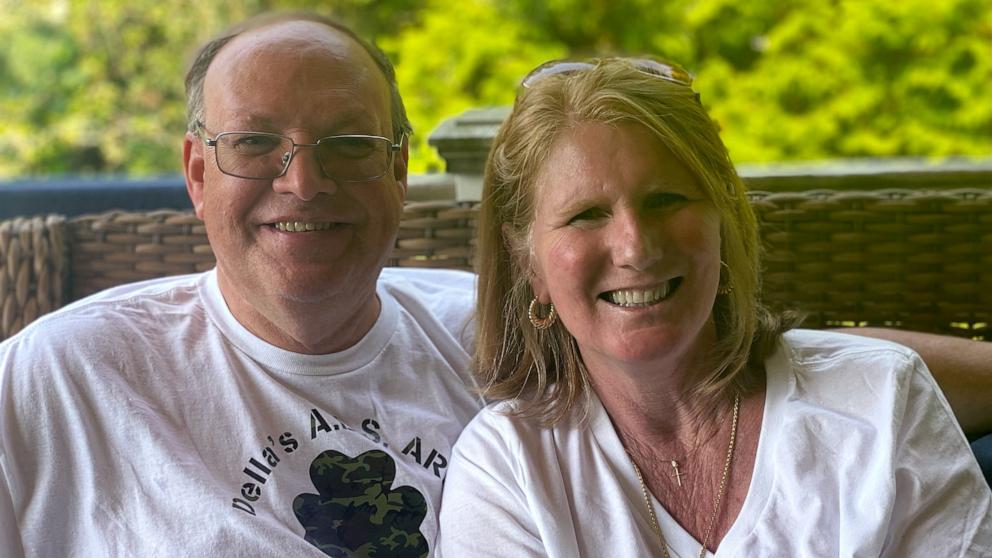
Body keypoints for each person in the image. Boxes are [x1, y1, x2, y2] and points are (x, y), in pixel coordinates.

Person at [437, 57, 992, 557]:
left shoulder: (883, 401)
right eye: (586, 214)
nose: (636, 247)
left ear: (722, 221)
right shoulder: (506, 470)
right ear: (529, 262)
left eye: (667, 200)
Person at [0, 12, 485, 557]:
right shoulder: (58, 377)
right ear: (199, 175)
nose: (303, 183)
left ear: (399, 173)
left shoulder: (495, 339)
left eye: (349, 142)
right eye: (253, 141)